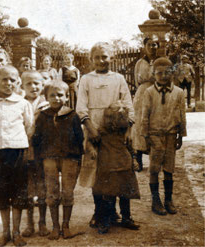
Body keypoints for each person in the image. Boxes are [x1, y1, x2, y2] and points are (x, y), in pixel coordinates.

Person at [76, 42, 140, 235]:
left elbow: (128, 104)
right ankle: (100, 212)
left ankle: (118, 215)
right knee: (98, 173)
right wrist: (90, 128)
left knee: (119, 171)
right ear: (91, 59)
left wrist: (128, 130)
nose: (101, 60)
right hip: (95, 129)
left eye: (105, 56)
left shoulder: (118, 78)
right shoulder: (86, 79)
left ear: (111, 58)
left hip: (117, 130)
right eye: (97, 57)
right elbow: (81, 106)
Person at [0, 65, 33, 247]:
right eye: (4, 79)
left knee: (18, 192)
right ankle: (5, 233)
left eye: (12, 80)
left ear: (18, 82)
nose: (8, 83)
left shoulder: (23, 104)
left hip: (18, 151)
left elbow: (29, 127)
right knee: (0, 192)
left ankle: (17, 233)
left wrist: (17, 143)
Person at [32, 80, 84, 240]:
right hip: (49, 159)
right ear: (46, 97)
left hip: (69, 158)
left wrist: (77, 159)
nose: (56, 98)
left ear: (67, 97)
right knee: (52, 192)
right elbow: (37, 139)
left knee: (68, 192)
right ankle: (55, 227)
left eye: (60, 95)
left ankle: (66, 226)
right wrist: (38, 158)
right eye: (52, 95)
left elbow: (79, 138)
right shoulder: (42, 116)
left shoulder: (73, 115)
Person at [141, 57, 187, 216]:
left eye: (167, 72)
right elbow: (144, 114)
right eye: (159, 73)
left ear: (172, 73)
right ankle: (156, 200)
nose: (163, 76)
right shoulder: (149, 92)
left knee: (169, 168)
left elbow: (182, 114)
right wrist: (145, 136)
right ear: (153, 74)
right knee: (154, 168)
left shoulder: (179, 92)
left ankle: (168, 199)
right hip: (154, 135)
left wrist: (181, 134)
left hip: (171, 135)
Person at [20, 70, 50, 238]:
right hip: (25, 151)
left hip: (42, 152)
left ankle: (43, 222)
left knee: (42, 188)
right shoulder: (18, 103)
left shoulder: (47, 104)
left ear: (42, 85)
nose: (33, 87)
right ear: (22, 86)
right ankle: (29, 223)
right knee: (28, 189)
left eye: (36, 83)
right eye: (29, 84)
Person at [131, 37, 158, 172]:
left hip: (156, 93)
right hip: (142, 94)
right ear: (144, 46)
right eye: (149, 45)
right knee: (140, 123)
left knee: (154, 122)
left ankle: (156, 160)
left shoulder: (160, 62)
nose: (152, 47)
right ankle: (139, 159)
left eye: (155, 45)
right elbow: (137, 81)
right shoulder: (140, 63)